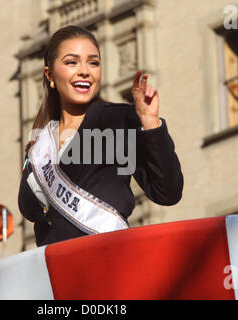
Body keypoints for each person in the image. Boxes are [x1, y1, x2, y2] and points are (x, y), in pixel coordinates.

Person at [18, 25, 183, 247]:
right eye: (71, 62)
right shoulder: (39, 146)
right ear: (50, 75)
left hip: (109, 262)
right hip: (57, 274)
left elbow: (168, 192)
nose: (84, 70)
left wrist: (150, 121)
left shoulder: (116, 121)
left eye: (93, 62)